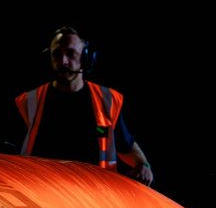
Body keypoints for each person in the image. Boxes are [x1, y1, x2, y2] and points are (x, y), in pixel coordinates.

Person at [14, 26, 154, 185]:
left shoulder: (107, 100)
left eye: (71, 53)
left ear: (86, 58)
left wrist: (144, 165)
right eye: (57, 54)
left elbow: (126, 145)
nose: (63, 61)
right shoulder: (28, 102)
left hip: (95, 192)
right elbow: (7, 154)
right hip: (43, 191)